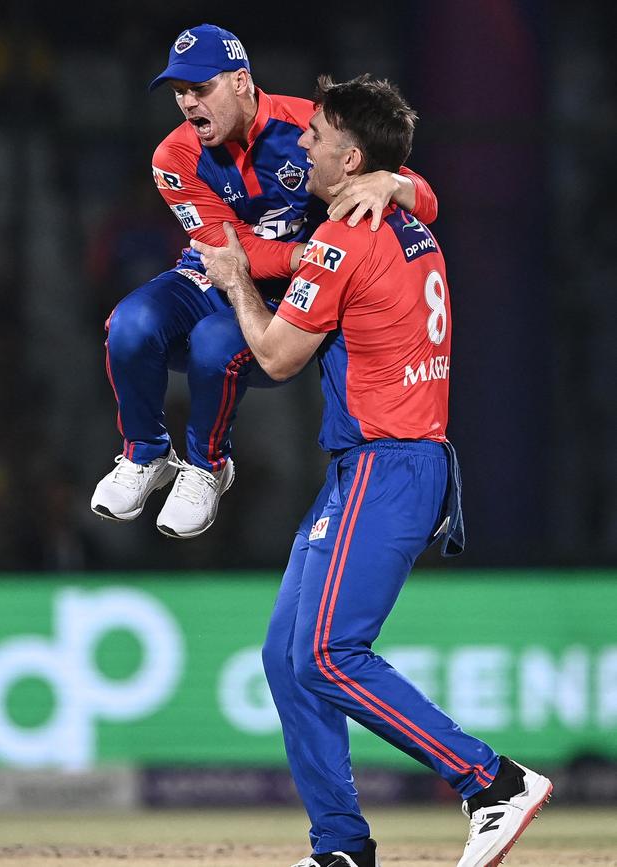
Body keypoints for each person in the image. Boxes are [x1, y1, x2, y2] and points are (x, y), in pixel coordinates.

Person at [193, 75, 552, 867]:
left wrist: (236, 282)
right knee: (288, 658)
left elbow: (280, 356)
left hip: (386, 464)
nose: (302, 144)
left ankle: (491, 780)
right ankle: (341, 847)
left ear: (351, 157)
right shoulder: (403, 213)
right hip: (385, 462)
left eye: (315, 136)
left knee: (325, 652)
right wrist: (399, 179)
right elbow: (423, 195)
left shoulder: (342, 236)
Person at [90, 23, 439, 539]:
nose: (187, 103)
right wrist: (307, 254)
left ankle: (207, 469)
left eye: (200, 88)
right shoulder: (174, 157)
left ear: (241, 82)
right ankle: (145, 455)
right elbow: (227, 249)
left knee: (212, 343)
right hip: (217, 273)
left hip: (285, 303)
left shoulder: (310, 130)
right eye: (179, 93)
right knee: (129, 324)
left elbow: (427, 202)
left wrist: (392, 180)